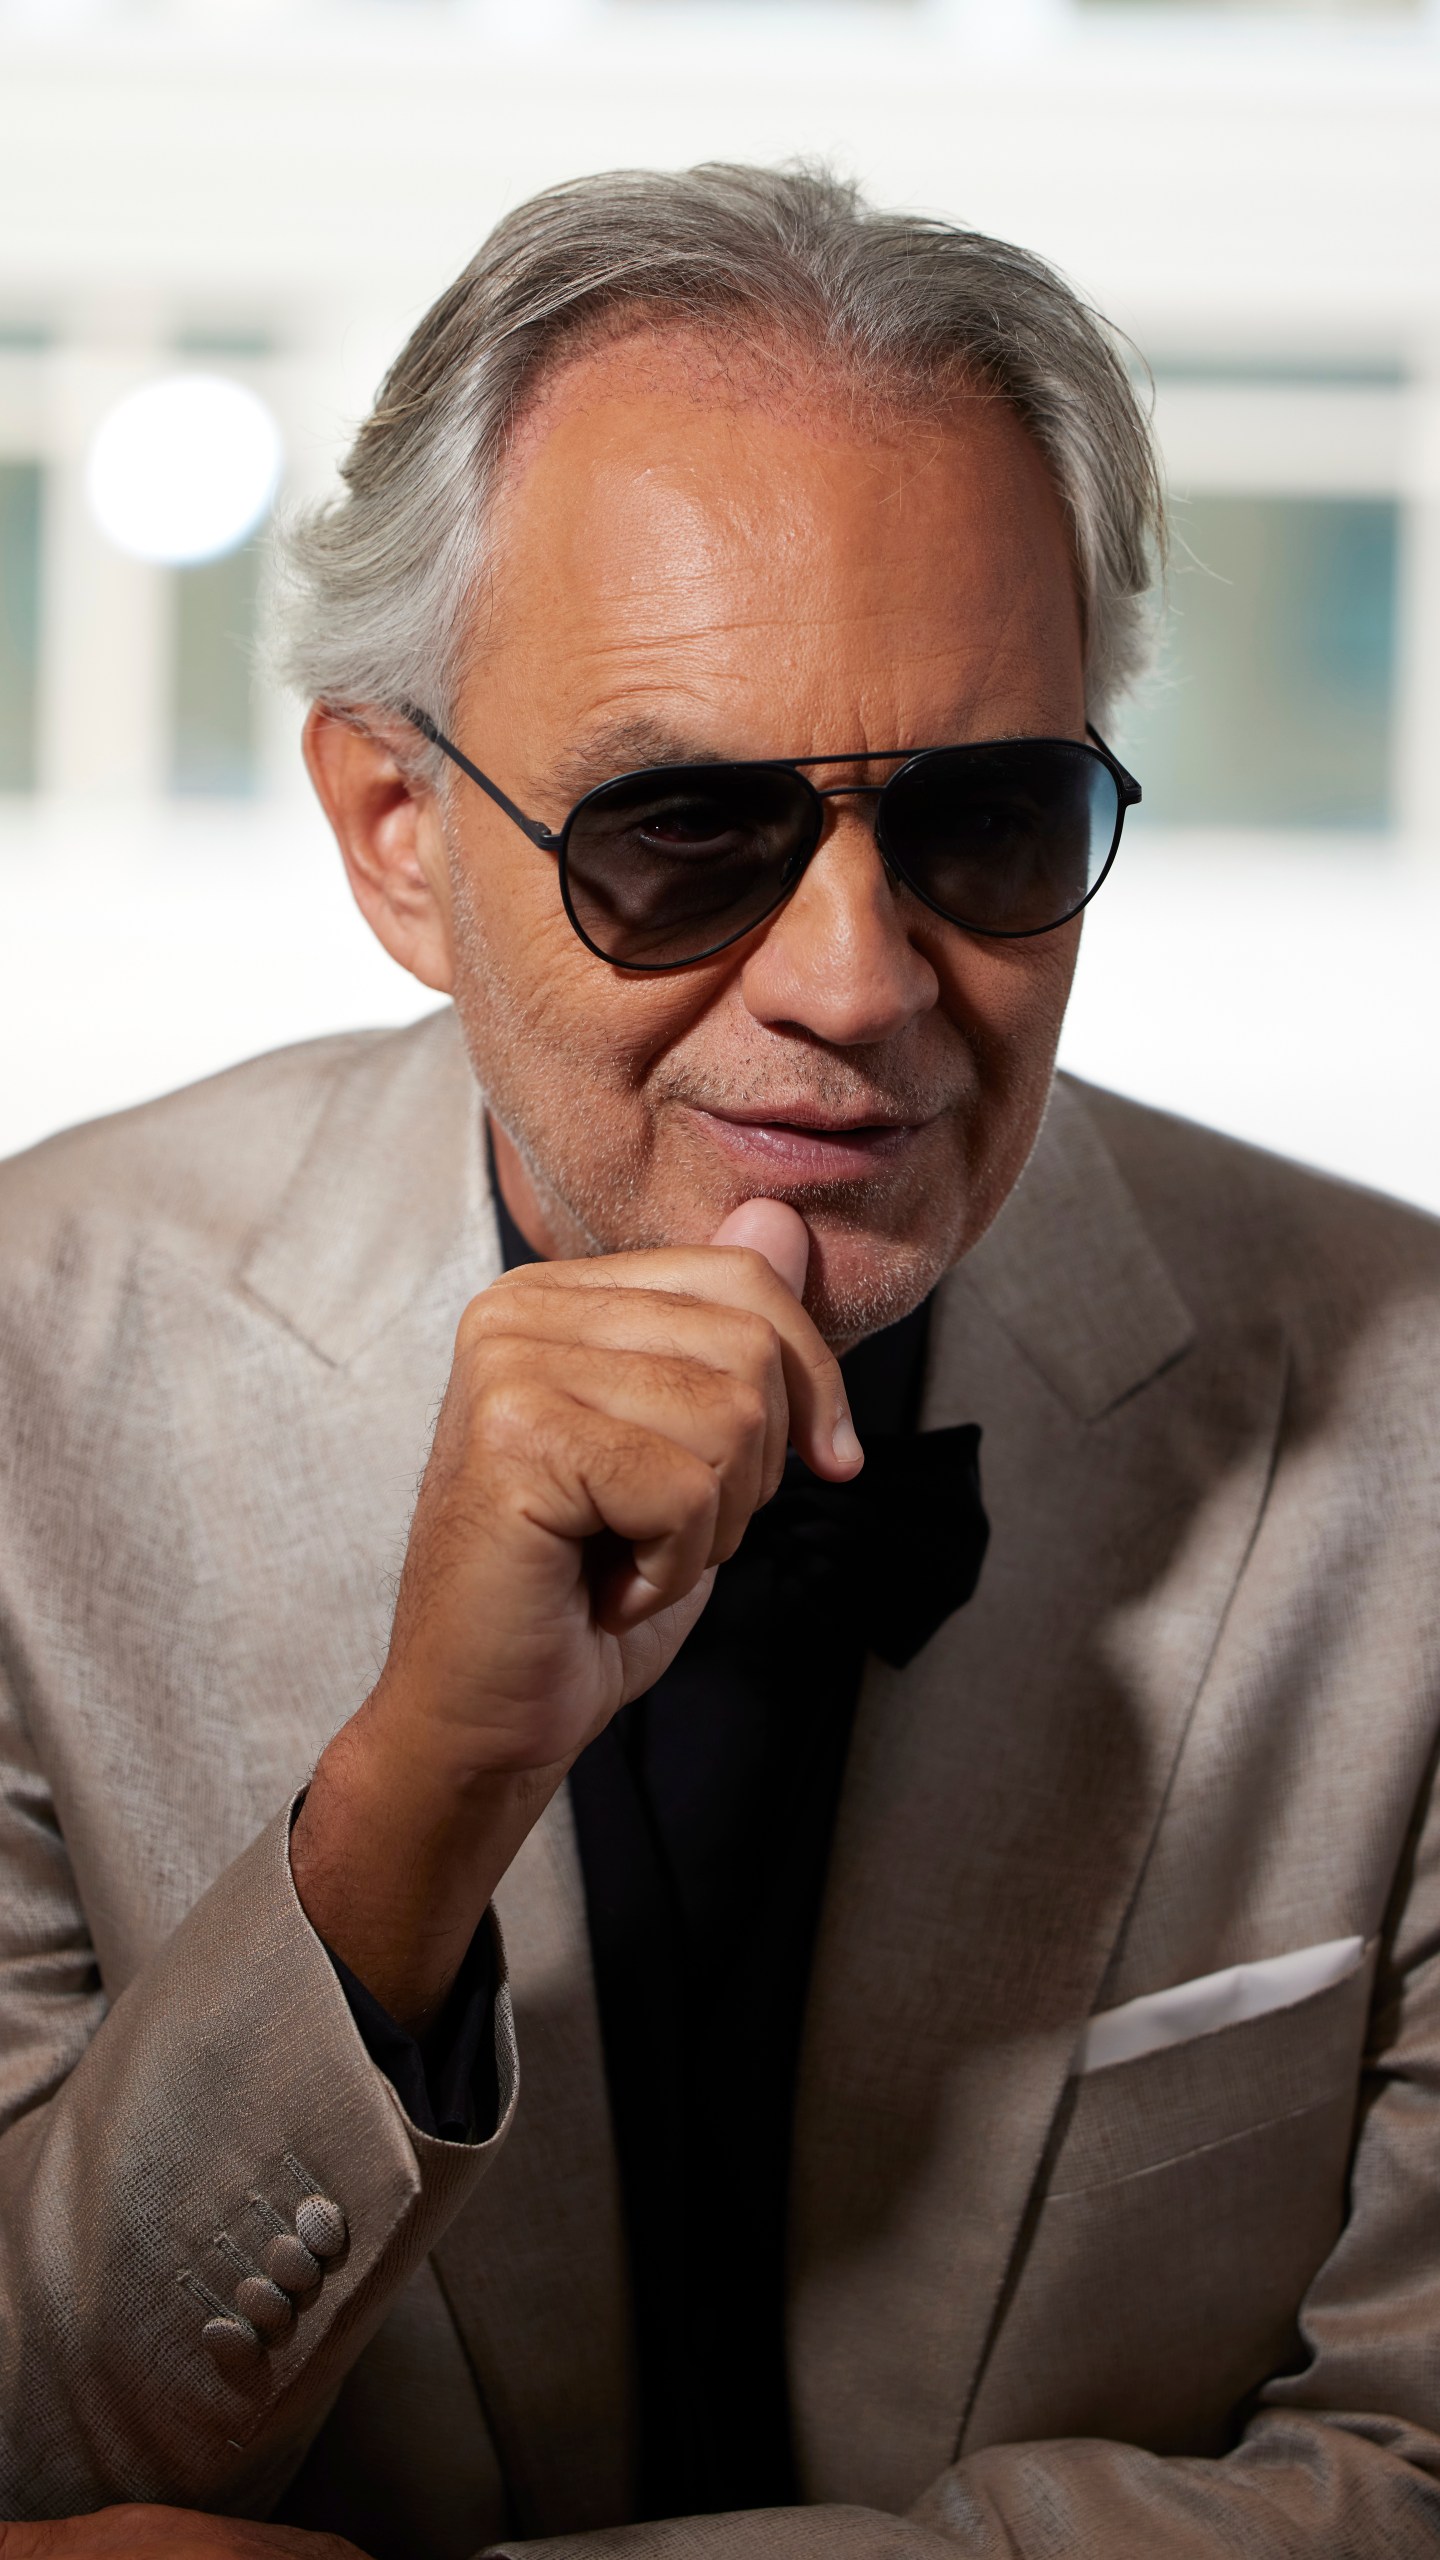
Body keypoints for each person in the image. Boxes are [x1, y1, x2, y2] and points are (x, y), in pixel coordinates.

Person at [1, 161, 1438, 2560]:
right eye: (684, 832)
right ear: (391, 831)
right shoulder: (22, 1390)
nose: (859, 984)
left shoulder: (1418, 1433)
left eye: (985, 816)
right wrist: (413, 1803)